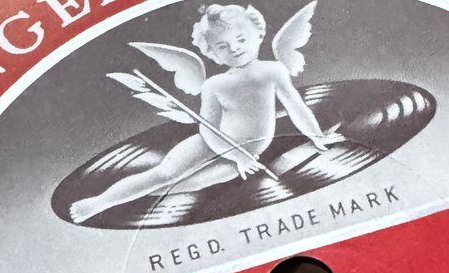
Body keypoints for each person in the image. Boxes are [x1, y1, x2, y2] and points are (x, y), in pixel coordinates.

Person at [70, 3, 343, 223]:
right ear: (211, 53)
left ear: (259, 35)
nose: (234, 48)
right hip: (214, 142)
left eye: (241, 39)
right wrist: (236, 155)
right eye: (222, 46)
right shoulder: (215, 85)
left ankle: (128, 204)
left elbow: (296, 106)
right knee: (164, 174)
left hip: (247, 153)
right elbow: (208, 129)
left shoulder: (274, 71)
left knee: (184, 186)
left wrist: (317, 136)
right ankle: (99, 203)